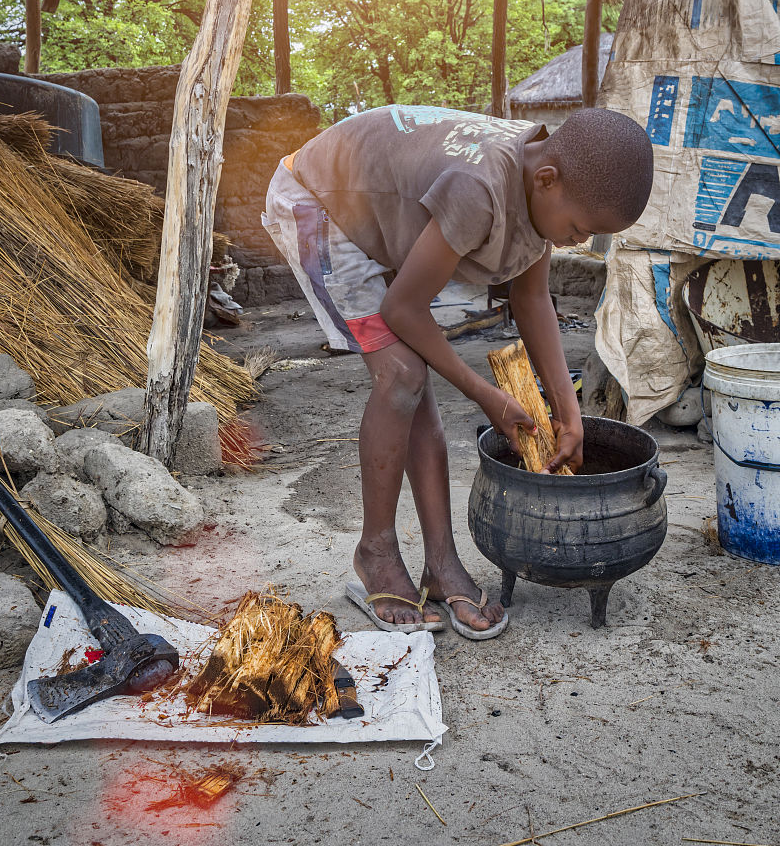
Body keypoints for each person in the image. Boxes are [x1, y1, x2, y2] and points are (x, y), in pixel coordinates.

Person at [262, 106, 653, 639]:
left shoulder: (542, 176)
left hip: (386, 219)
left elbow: (531, 296)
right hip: (321, 202)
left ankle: (440, 565)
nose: (577, 243)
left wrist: (569, 411)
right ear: (546, 180)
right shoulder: (480, 189)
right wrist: (485, 396)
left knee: (414, 377)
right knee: (402, 375)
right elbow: (404, 309)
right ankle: (375, 550)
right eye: (581, 229)